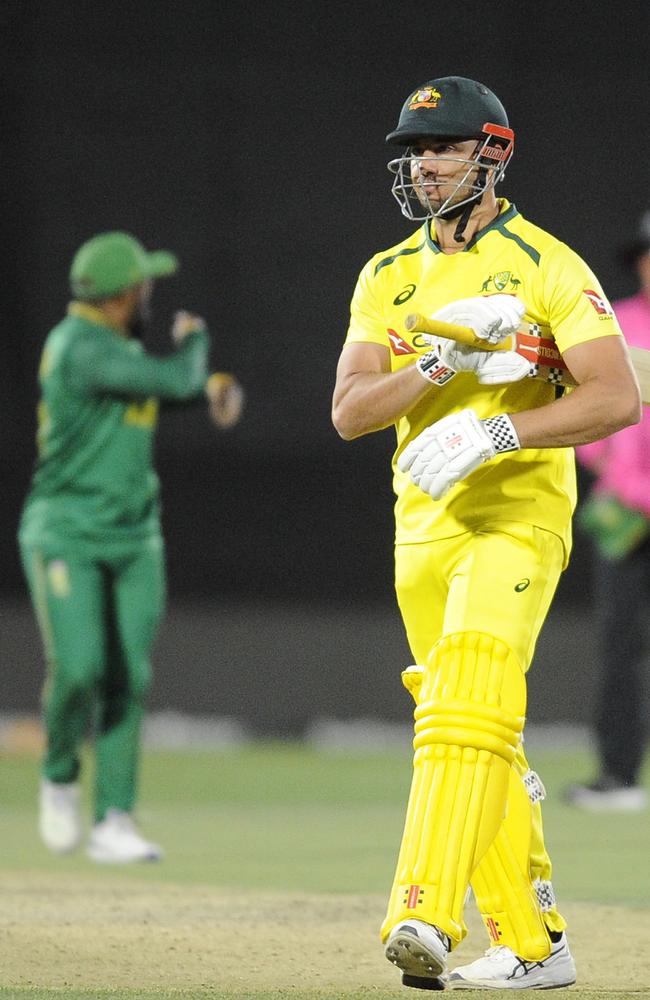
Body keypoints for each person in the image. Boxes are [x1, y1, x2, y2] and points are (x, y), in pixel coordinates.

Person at [331, 76, 641, 990]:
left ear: (492, 153)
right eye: (414, 152)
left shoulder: (549, 263)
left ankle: (422, 910)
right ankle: (538, 948)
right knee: (473, 729)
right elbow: (350, 411)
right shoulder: (387, 274)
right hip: (421, 528)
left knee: (467, 694)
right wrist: (437, 364)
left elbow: (615, 396)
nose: (425, 165)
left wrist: (499, 427)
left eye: (444, 147)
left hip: (517, 514)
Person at [19, 231, 244, 864]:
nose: (150, 292)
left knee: (128, 674)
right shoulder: (79, 345)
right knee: (80, 667)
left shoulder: (112, 347)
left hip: (133, 536)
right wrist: (196, 345)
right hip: (66, 531)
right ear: (122, 296)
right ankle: (60, 773)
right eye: (143, 284)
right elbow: (169, 382)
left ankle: (113, 818)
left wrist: (207, 388)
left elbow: (156, 391)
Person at [563, 211, 650, 812]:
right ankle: (618, 776)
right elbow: (586, 413)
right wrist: (621, 479)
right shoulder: (615, 322)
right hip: (628, 514)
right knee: (619, 646)